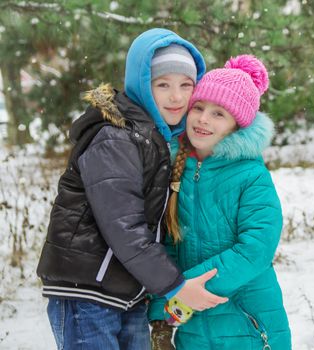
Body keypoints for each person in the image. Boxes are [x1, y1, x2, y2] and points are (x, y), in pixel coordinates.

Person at [36, 28, 227, 350]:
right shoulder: (116, 137)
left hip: (127, 290)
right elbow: (123, 225)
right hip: (88, 291)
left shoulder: (156, 139)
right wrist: (175, 285)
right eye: (162, 84)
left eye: (186, 85)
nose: (176, 97)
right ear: (141, 84)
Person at [148, 55, 292, 349]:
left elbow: (255, 250)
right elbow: (169, 244)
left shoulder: (251, 175)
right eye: (198, 108)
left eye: (218, 114)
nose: (203, 119)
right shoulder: (175, 172)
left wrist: (186, 290)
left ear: (236, 126)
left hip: (249, 324)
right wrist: (164, 306)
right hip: (195, 331)